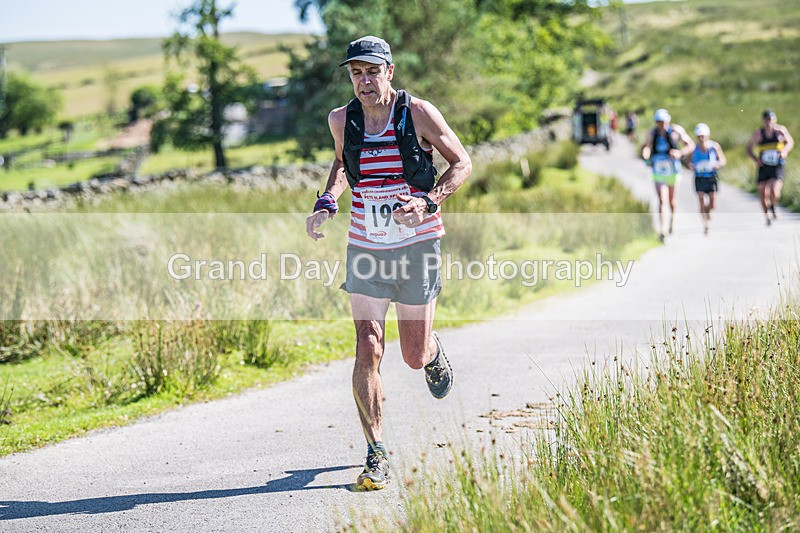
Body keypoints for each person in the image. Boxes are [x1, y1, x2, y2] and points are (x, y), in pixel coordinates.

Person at [305, 36, 472, 491]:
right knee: (368, 344)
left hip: (417, 243)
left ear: (390, 72)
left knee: (413, 356)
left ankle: (432, 349)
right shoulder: (342, 119)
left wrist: (428, 200)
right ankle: (376, 452)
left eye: (372, 71)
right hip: (366, 244)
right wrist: (327, 201)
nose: (364, 80)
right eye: (355, 72)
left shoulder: (418, 113)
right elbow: (343, 164)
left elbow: (462, 163)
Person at [640, 109, 695, 242]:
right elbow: (646, 146)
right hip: (658, 169)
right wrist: (646, 154)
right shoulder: (652, 133)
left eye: (663, 122)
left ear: (668, 121)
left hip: (673, 169)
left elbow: (690, 145)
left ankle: (672, 220)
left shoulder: (677, 131)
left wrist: (680, 153)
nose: (661, 124)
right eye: (659, 122)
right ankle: (662, 229)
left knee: (671, 201)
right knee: (661, 199)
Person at [746, 109, 794, 225]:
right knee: (762, 192)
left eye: (771, 119)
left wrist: (785, 152)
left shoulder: (780, 131)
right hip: (764, 166)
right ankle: (766, 216)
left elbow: (790, 142)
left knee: (775, 191)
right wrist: (756, 159)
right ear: (763, 120)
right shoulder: (759, 133)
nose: (769, 122)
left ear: (775, 119)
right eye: (767, 120)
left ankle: (773, 205)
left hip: (777, 165)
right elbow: (749, 148)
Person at [688, 123, 726, 235]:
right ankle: (706, 225)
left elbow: (722, 159)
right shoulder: (693, 149)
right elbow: (686, 161)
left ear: (707, 135)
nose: (701, 138)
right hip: (699, 177)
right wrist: (690, 165)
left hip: (711, 177)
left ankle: (708, 213)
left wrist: (718, 165)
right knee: (701, 201)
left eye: (703, 136)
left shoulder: (714, 147)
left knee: (712, 203)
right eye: (699, 136)